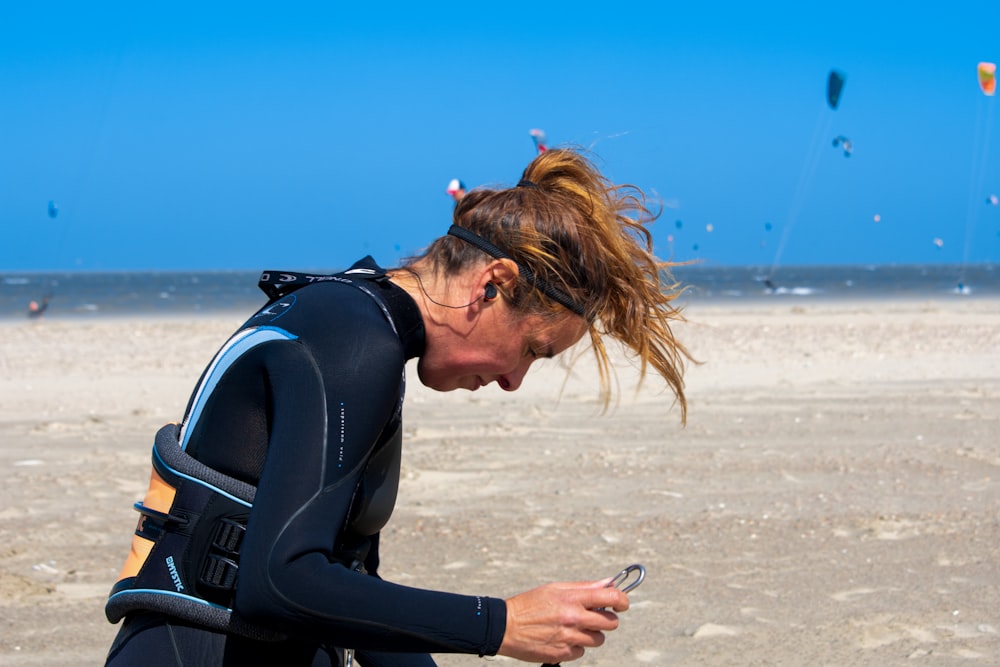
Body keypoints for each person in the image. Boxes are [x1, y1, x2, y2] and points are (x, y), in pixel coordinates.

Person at [104, 147, 692, 666]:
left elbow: (347, 584)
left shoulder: (352, 320)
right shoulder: (355, 340)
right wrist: (502, 623)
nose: (514, 380)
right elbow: (279, 581)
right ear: (492, 284)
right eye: (533, 350)